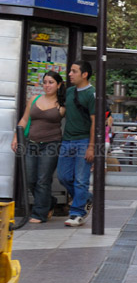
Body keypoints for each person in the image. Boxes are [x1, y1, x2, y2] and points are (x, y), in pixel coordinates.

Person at [12, 71, 66, 223]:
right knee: (30, 179)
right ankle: (50, 202)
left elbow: (77, 117)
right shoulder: (34, 99)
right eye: (45, 82)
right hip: (31, 143)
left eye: (51, 82)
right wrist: (16, 136)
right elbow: (24, 119)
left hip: (51, 145)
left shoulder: (62, 104)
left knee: (43, 179)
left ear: (59, 84)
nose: (47, 85)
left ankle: (40, 213)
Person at [58, 61, 96, 227]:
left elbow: (95, 122)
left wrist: (91, 146)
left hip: (84, 141)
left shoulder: (92, 94)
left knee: (81, 179)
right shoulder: (70, 92)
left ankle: (77, 213)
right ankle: (86, 198)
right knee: (63, 176)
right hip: (67, 140)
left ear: (84, 74)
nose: (70, 74)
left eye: (74, 71)